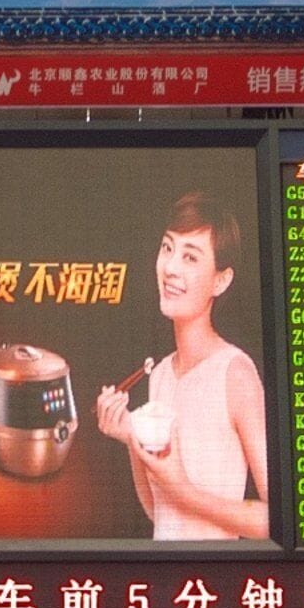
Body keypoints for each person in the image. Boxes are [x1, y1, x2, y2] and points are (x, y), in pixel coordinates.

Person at [91, 193, 271, 541]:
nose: (170, 268)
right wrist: (130, 437)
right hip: (166, 571)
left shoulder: (235, 373)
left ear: (221, 280)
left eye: (190, 257)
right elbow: (160, 514)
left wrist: (185, 491)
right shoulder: (159, 374)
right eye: (167, 248)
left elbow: (278, 522)